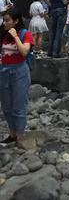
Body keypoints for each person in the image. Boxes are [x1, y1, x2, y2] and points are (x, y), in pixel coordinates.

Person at [0, 10, 33, 144]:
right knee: (6, 106)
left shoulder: (26, 34)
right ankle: (12, 133)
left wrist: (16, 37)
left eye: (8, 20)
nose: (5, 23)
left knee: (19, 105)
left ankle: (20, 135)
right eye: (4, 20)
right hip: (3, 72)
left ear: (16, 21)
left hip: (20, 72)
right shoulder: (2, 34)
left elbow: (24, 51)